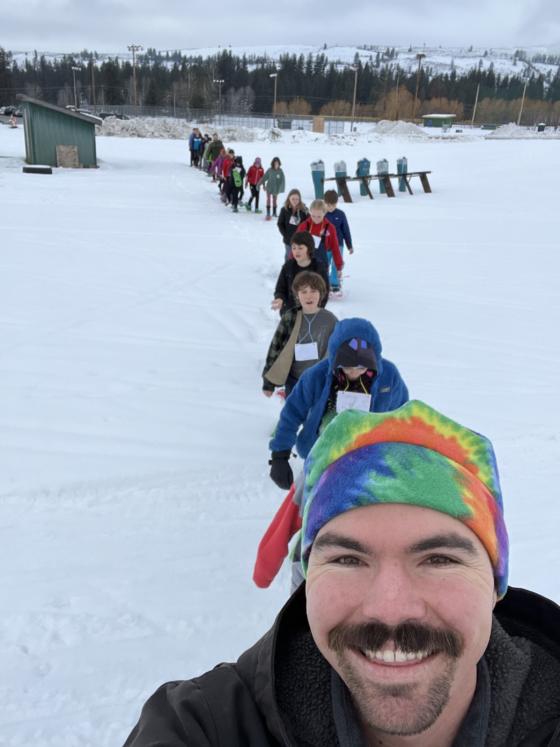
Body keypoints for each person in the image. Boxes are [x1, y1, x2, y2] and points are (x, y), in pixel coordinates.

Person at [124, 401, 560, 746]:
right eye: (348, 559)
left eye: (439, 559)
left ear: (496, 582)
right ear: (309, 577)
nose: (390, 609)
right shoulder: (206, 727)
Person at [267, 316, 409, 491]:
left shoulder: (388, 376)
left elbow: (402, 414)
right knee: (316, 496)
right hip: (322, 451)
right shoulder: (316, 376)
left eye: (361, 367)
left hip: (368, 452)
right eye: (348, 367)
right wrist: (279, 455)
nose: (354, 373)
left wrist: (401, 454)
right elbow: (292, 412)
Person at [262, 271, 337, 398]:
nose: (309, 296)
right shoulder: (290, 318)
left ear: (321, 293)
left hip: (320, 380)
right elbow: (275, 347)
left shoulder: (330, 320)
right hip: (294, 379)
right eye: (304, 292)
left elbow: (340, 350)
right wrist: (268, 383)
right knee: (294, 413)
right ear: (297, 295)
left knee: (314, 415)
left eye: (314, 291)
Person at [271, 231, 330, 316]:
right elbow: (280, 288)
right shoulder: (288, 266)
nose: (296, 251)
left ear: (309, 248)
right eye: (294, 248)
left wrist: (318, 308)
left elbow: (325, 291)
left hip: (312, 313)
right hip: (290, 313)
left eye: (300, 248)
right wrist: (280, 298)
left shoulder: (318, 267)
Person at [296, 199, 343, 293]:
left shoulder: (330, 228)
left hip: (322, 261)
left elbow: (335, 247)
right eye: (313, 216)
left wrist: (339, 266)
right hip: (306, 260)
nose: (316, 219)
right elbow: (296, 245)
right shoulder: (304, 226)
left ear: (324, 213)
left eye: (319, 216)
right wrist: (291, 261)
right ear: (310, 212)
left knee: (320, 284)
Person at [324, 189, 354, 294]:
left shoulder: (341, 214)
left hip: (338, 244)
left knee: (336, 264)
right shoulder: (322, 215)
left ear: (336, 203)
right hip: (325, 245)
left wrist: (349, 245)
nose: (330, 207)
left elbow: (346, 230)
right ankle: (325, 282)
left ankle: (335, 283)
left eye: (332, 205)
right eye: (328, 205)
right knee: (325, 264)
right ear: (324, 203)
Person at [277, 189, 309, 260]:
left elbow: (309, 223)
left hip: (301, 240)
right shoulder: (284, 210)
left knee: (299, 257)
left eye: (297, 199)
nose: (295, 201)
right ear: (289, 198)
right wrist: (285, 234)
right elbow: (280, 223)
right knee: (289, 256)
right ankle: (287, 270)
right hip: (289, 240)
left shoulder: (304, 210)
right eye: (293, 199)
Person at [258, 156, 285, 221]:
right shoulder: (270, 170)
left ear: (279, 164)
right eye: (275, 163)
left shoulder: (280, 171)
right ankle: (268, 212)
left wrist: (280, 189)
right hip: (269, 188)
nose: (276, 165)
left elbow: (282, 181)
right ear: (273, 163)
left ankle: (274, 212)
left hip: (276, 189)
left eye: (277, 163)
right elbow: (264, 177)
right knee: (268, 200)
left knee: (275, 200)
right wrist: (259, 184)